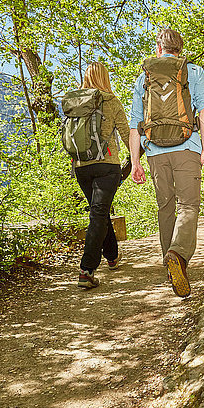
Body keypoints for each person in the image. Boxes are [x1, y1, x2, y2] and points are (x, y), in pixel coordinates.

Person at [129, 28, 204, 297]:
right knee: (188, 205)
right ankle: (178, 255)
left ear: (159, 47)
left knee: (165, 207)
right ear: (180, 47)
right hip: (186, 146)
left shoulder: (145, 76)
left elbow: (135, 124)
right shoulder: (193, 71)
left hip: (154, 151)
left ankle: (170, 264)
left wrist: (135, 162)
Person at [74, 62, 130, 289]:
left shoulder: (75, 102)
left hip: (81, 166)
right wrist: (137, 160)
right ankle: (86, 270)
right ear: (105, 78)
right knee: (98, 213)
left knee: (100, 210)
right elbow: (127, 133)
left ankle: (112, 256)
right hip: (107, 165)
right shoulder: (111, 100)